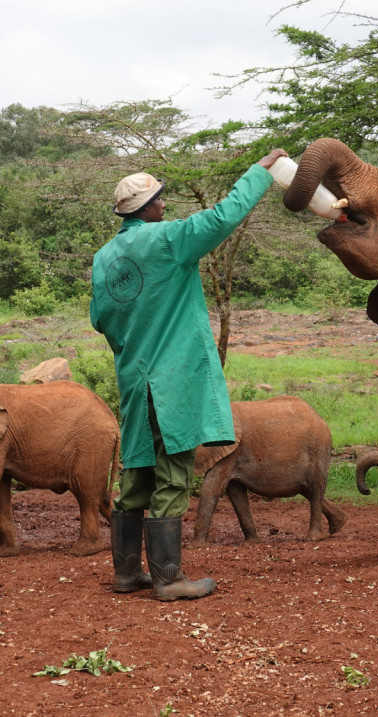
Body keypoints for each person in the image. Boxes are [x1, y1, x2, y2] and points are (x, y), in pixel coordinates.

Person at [90, 148, 288, 601]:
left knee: (136, 472)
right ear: (149, 207)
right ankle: (168, 578)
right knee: (174, 474)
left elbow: (100, 318)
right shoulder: (167, 239)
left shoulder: (105, 258)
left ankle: (126, 574)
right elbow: (222, 218)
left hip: (134, 380)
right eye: (161, 199)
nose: (165, 205)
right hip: (169, 382)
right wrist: (257, 175)